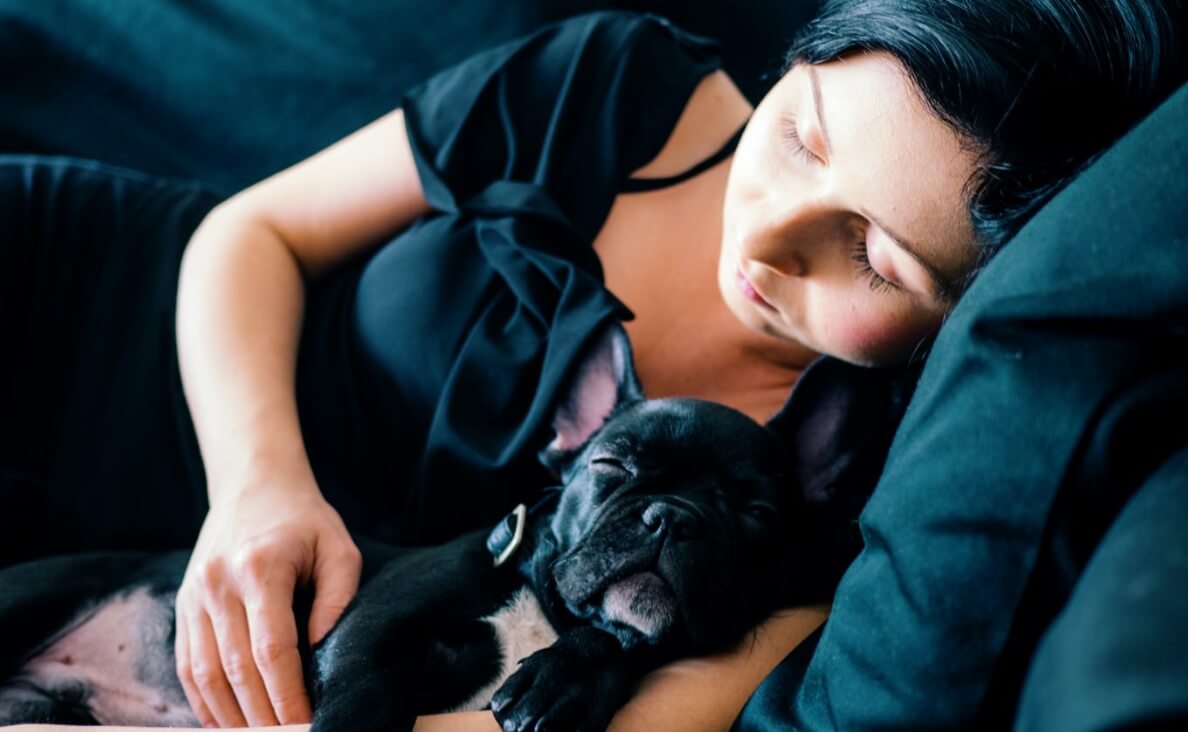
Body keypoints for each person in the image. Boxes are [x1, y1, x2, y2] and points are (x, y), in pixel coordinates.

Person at [1, 1, 1184, 730]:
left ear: (969, 310)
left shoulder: (858, 485)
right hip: (108, 318)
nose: (769, 238)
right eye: (799, 134)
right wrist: (258, 486)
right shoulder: (626, 87)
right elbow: (251, 233)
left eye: (872, 258)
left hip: (228, 659)